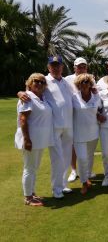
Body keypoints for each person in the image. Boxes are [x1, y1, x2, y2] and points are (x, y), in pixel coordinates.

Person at [18, 55, 73, 198]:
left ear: (62, 67)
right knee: (58, 159)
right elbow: (29, 90)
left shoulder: (66, 82)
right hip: (54, 126)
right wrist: (21, 93)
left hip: (68, 125)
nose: (55, 67)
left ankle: (63, 185)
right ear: (48, 67)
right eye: (52, 65)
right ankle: (56, 189)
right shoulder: (44, 80)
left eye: (58, 65)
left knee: (66, 158)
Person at [15, 73, 54, 206]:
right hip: (30, 139)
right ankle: (28, 197)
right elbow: (23, 120)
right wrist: (27, 139)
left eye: (42, 82)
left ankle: (31, 192)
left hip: (40, 139)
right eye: (35, 81)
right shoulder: (27, 97)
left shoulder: (42, 98)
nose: (38, 84)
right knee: (29, 168)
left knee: (34, 167)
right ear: (29, 83)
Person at [65, 57, 97, 183]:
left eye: (83, 66)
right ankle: (74, 170)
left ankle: (87, 171)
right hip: (73, 115)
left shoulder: (91, 79)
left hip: (86, 114)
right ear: (74, 67)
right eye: (79, 66)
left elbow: (95, 94)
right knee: (73, 146)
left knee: (88, 147)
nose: (81, 68)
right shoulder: (67, 79)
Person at [72, 74, 100, 194]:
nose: (84, 84)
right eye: (82, 82)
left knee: (89, 157)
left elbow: (100, 110)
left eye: (86, 82)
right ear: (78, 85)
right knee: (82, 158)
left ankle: (87, 178)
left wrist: (100, 115)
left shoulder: (96, 97)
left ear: (90, 84)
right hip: (78, 134)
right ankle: (84, 182)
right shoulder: (73, 97)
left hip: (93, 133)